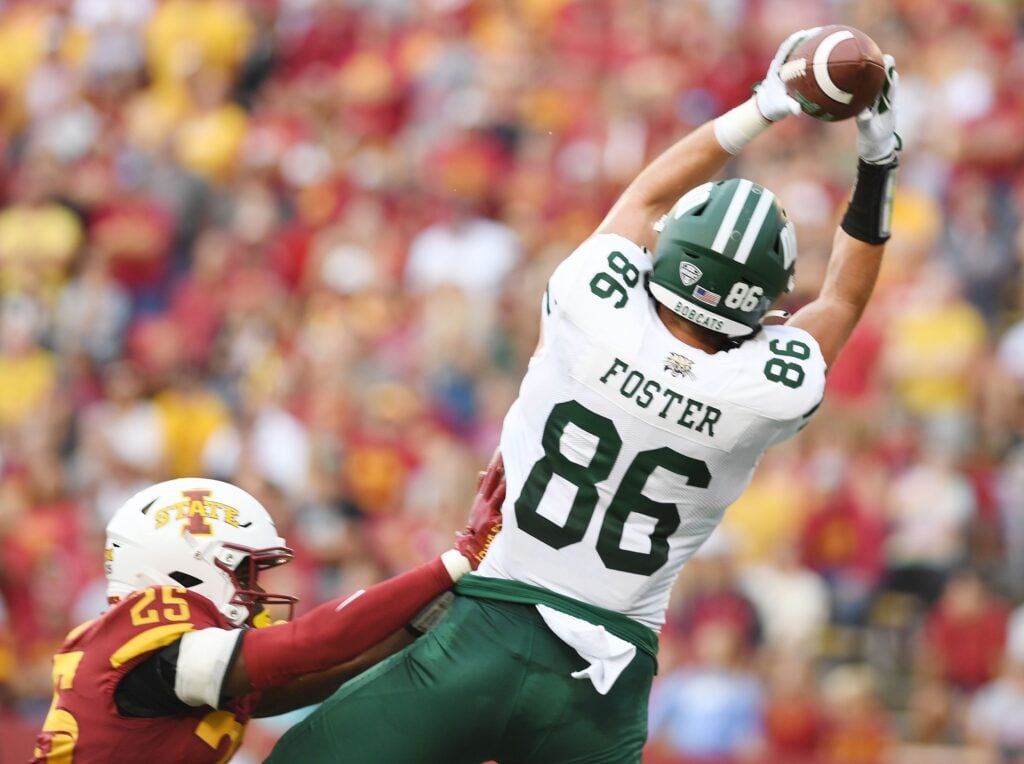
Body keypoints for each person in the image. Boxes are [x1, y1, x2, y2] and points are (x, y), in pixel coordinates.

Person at [270, 29, 901, 763]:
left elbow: (646, 195)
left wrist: (766, 104)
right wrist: (879, 153)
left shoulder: (593, 307)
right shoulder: (762, 391)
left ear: (670, 251)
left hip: (487, 629)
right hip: (603, 686)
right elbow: (843, 299)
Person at [30, 457, 504, 764]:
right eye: (244, 572)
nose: (256, 591)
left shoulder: (171, 658)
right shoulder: (153, 645)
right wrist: (457, 560)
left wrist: (422, 622)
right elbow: (313, 644)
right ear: (187, 567)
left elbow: (313, 676)